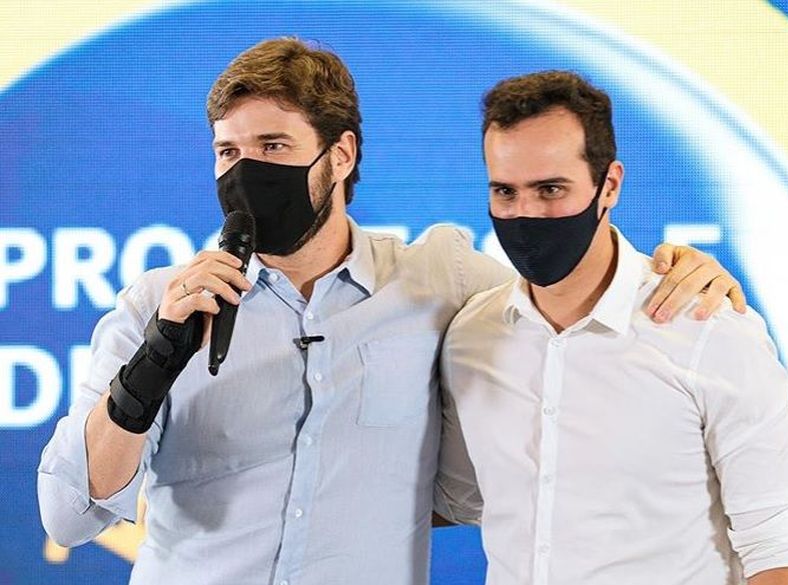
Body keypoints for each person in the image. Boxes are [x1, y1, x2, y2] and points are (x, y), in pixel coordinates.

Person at [38, 39, 745, 585]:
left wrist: (672, 270)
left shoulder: (439, 280)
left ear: (341, 154)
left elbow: (569, 291)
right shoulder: (159, 301)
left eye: (274, 147)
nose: (246, 172)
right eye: (229, 151)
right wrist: (156, 358)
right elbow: (69, 516)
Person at [436, 71, 788, 585]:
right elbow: (460, 497)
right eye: (505, 191)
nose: (525, 213)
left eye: (551, 189)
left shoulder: (710, 330)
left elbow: (778, 540)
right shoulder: (471, 337)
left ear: (609, 185)